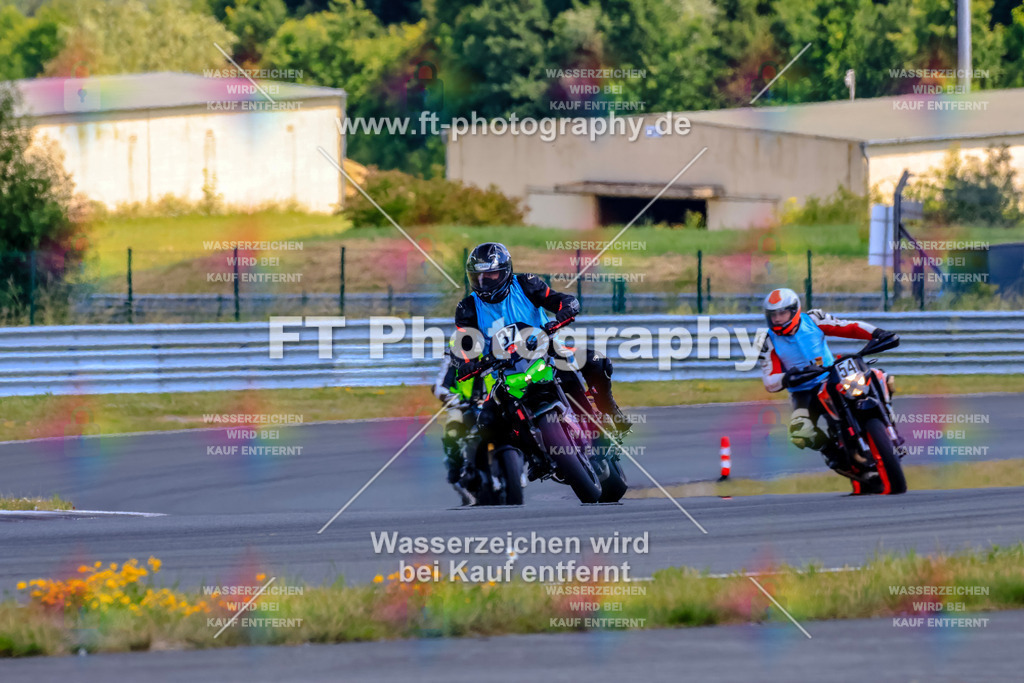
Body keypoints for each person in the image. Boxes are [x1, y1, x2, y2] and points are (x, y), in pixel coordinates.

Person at [452, 242, 630, 437]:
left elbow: (559, 299)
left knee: (597, 362)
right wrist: (466, 364)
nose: (484, 281)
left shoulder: (526, 284)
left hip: (547, 350)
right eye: (478, 277)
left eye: (490, 275)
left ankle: (610, 410)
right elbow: (464, 346)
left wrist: (566, 309)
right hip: (503, 372)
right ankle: (530, 461)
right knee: (486, 425)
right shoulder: (467, 307)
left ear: (505, 271)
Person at [757, 287, 896, 467]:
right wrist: (788, 377)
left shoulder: (814, 319)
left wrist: (877, 333)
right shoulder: (766, 341)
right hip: (802, 390)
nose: (776, 319)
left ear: (794, 311)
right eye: (772, 315)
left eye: (781, 313)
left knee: (878, 377)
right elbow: (769, 380)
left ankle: (887, 415)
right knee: (800, 433)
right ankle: (833, 453)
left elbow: (848, 327)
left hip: (831, 374)